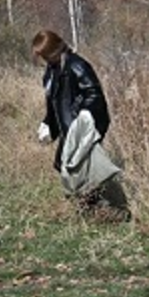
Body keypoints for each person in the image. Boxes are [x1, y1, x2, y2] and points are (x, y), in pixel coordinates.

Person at [32, 29, 127, 215]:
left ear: (52, 51)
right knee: (63, 164)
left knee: (81, 167)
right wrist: (47, 124)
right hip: (68, 126)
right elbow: (53, 102)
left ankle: (103, 209)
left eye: (43, 54)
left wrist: (83, 113)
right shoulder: (52, 70)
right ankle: (94, 207)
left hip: (84, 126)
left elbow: (94, 93)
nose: (41, 59)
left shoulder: (77, 65)